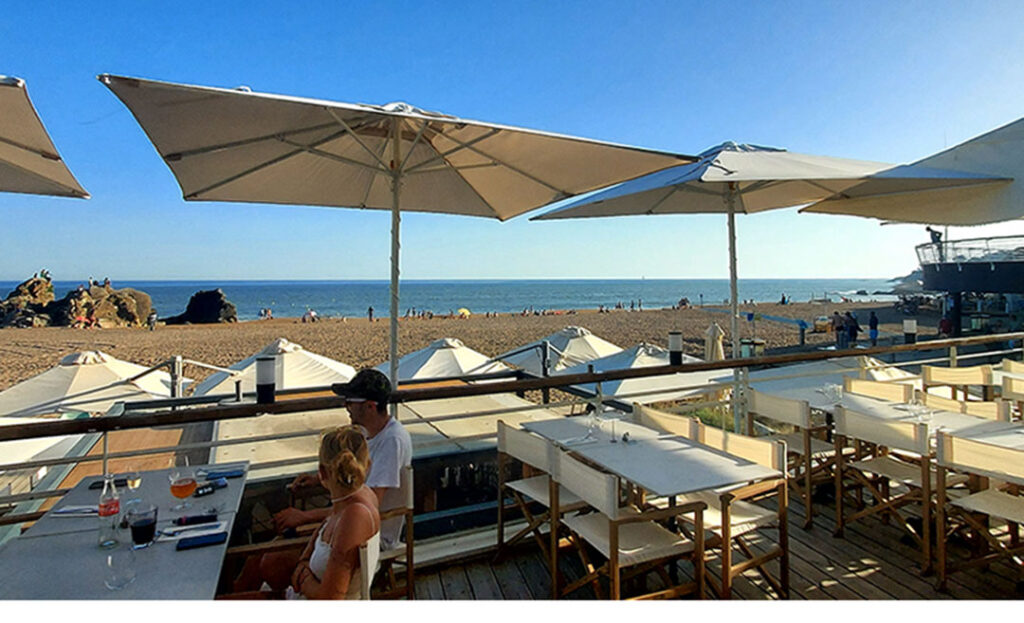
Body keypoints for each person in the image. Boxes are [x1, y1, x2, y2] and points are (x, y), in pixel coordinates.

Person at [232, 426, 381, 599]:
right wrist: (304, 560)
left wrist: (303, 579)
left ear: (322, 472)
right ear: (367, 465)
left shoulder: (354, 516)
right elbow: (325, 524)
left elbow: (331, 599)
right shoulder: (356, 498)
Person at [274, 369, 412, 551]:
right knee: (268, 554)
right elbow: (355, 480)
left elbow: (367, 505)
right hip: (350, 525)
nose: (346, 408)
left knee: (271, 559)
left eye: (350, 403)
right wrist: (318, 480)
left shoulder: (392, 441)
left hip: (368, 536)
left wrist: (305, 516)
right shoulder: (369, 434)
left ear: (370, 406)